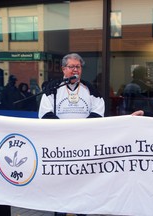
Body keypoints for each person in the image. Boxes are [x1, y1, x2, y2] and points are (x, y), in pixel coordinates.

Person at [38, 53, 105, 216]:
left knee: (83, 189)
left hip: (83, 148)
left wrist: (80, 130)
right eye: (71, 67)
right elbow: (45, 114)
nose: (75, 70)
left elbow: (98, 112)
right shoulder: (52, 89)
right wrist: (66, 130)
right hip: (60, 149)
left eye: (78, 67)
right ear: (63, 69)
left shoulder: (90, 90)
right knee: (61, 190)